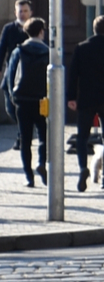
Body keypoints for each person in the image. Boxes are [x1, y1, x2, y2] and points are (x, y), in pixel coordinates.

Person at [70, 14, 104, 191]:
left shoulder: (81, 48)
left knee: (82, 137)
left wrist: (71, 97)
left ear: (93, 29)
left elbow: (73, 75)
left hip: (85, 98)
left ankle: (83, 168)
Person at [4, 18, 51, 185]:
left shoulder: (19, 51)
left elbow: (11, 75)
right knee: (44, 135)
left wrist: (12, 95)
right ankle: (41, 162)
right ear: (41, 32)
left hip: (22, 99)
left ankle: (28, 176)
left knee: (25, 138)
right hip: (41, 100)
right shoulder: (48, 52)